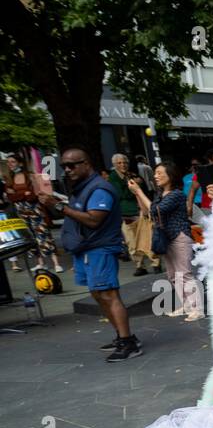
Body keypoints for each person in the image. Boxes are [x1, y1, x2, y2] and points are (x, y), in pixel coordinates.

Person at [39, 147, 138, 361]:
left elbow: (94, 220)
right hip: (86, 249)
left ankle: (128, 342)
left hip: (99, 248)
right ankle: (123, 336)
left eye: (72, 165)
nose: (67, 170)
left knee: (108, 294)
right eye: (64, 166)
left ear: (86, 164)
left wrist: (60, 207)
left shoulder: (99, 189)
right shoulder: (82, 187)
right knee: (97, 293)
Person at [128, 161, 203, 322]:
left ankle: (197, 308)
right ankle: (187, 305)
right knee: (173, 275)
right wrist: (136, 193)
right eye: (155, 173)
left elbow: (157, 210)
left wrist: (139, 191)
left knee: (184, 274)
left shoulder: (176, 194)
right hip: (166, 237)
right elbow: (148, 212)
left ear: (171, 176)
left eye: (160, 173)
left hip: (180, 236)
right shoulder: (160, 194)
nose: (156, 176)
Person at [4, 151, 62, 274]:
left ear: (20, 163)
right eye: (8, 162)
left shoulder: (30, 176)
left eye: (13, 162)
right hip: (21, 211)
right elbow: (10, 197)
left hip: (34, 209)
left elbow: (32, 195)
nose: (10, 164)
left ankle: (56, 263)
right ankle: (40, 263)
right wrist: (22, 194)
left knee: (43, 235)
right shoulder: (10, 178)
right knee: (30, 236)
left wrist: (18, 195)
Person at [110, 153, 160, 276]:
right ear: (114, 165)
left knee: (148, 238)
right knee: (131, 242)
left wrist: (139, 184)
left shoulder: (133, 175)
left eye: (125, 162)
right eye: (119, 163)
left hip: (139, 211)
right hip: (125, 214)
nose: (123, 165)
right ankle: (139, 265)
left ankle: (155, 263)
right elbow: (123, 194)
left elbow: (143, 190)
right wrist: (134, 187)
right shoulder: (113, 178)